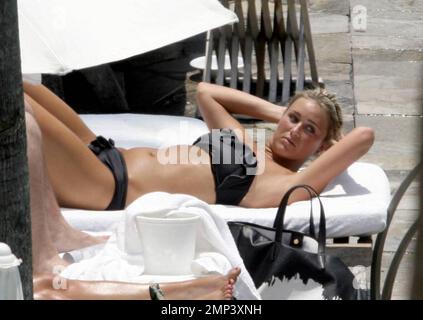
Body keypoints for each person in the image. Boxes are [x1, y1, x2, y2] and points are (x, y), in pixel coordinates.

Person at [23, 80, 374, 211]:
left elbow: (365, 136)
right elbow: (207, 93)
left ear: (321, 146)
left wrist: (328, 144)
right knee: (25, 85)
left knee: (16, 103)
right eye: (293, 119)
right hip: (104, 152)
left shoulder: (286, 185)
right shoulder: (243, 138)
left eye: (309, 130)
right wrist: (281, 110)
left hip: (106, 185)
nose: (295, 130)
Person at [25, 102, 240, 300]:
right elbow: (206, 93)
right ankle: (173, 293)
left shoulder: (272, 178)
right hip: (109, 160)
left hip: (112, 180)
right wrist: (272, 111)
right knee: (19, 94)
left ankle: (173, 292)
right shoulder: (256, 147)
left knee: (20, 109)